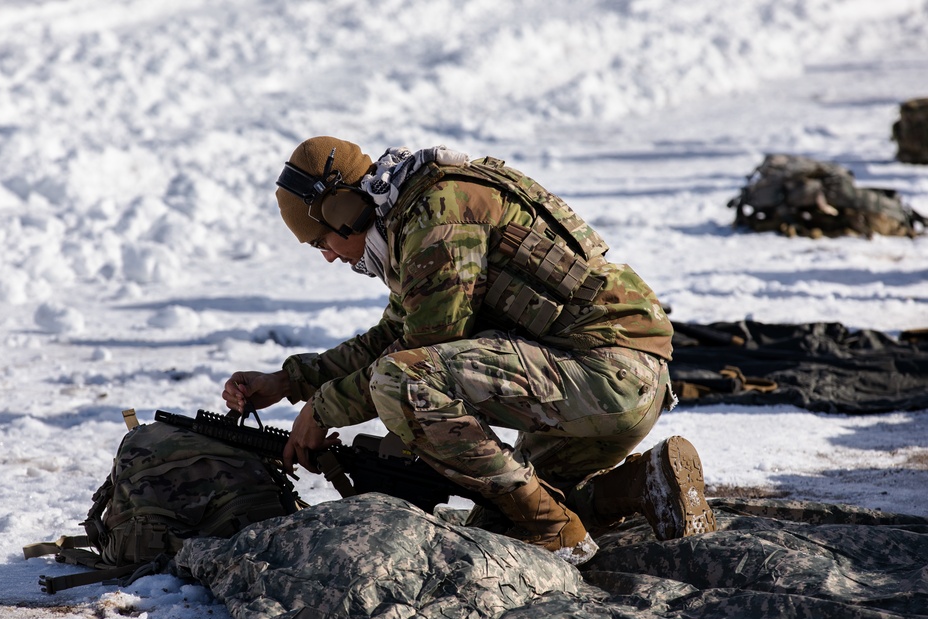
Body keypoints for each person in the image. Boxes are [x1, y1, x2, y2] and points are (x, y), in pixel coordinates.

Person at [223, 136, 716, 565]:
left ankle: (555, 531)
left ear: (344, 213)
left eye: (320, 243)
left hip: (606, 375)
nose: (329, 256)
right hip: (610, 382)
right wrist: (288, 382)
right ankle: (644, 484)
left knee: (405, 382)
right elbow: (390, 335)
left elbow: (419, 353)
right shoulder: (415, 213)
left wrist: (323, 408)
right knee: (502, 519)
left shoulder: (438, 215)